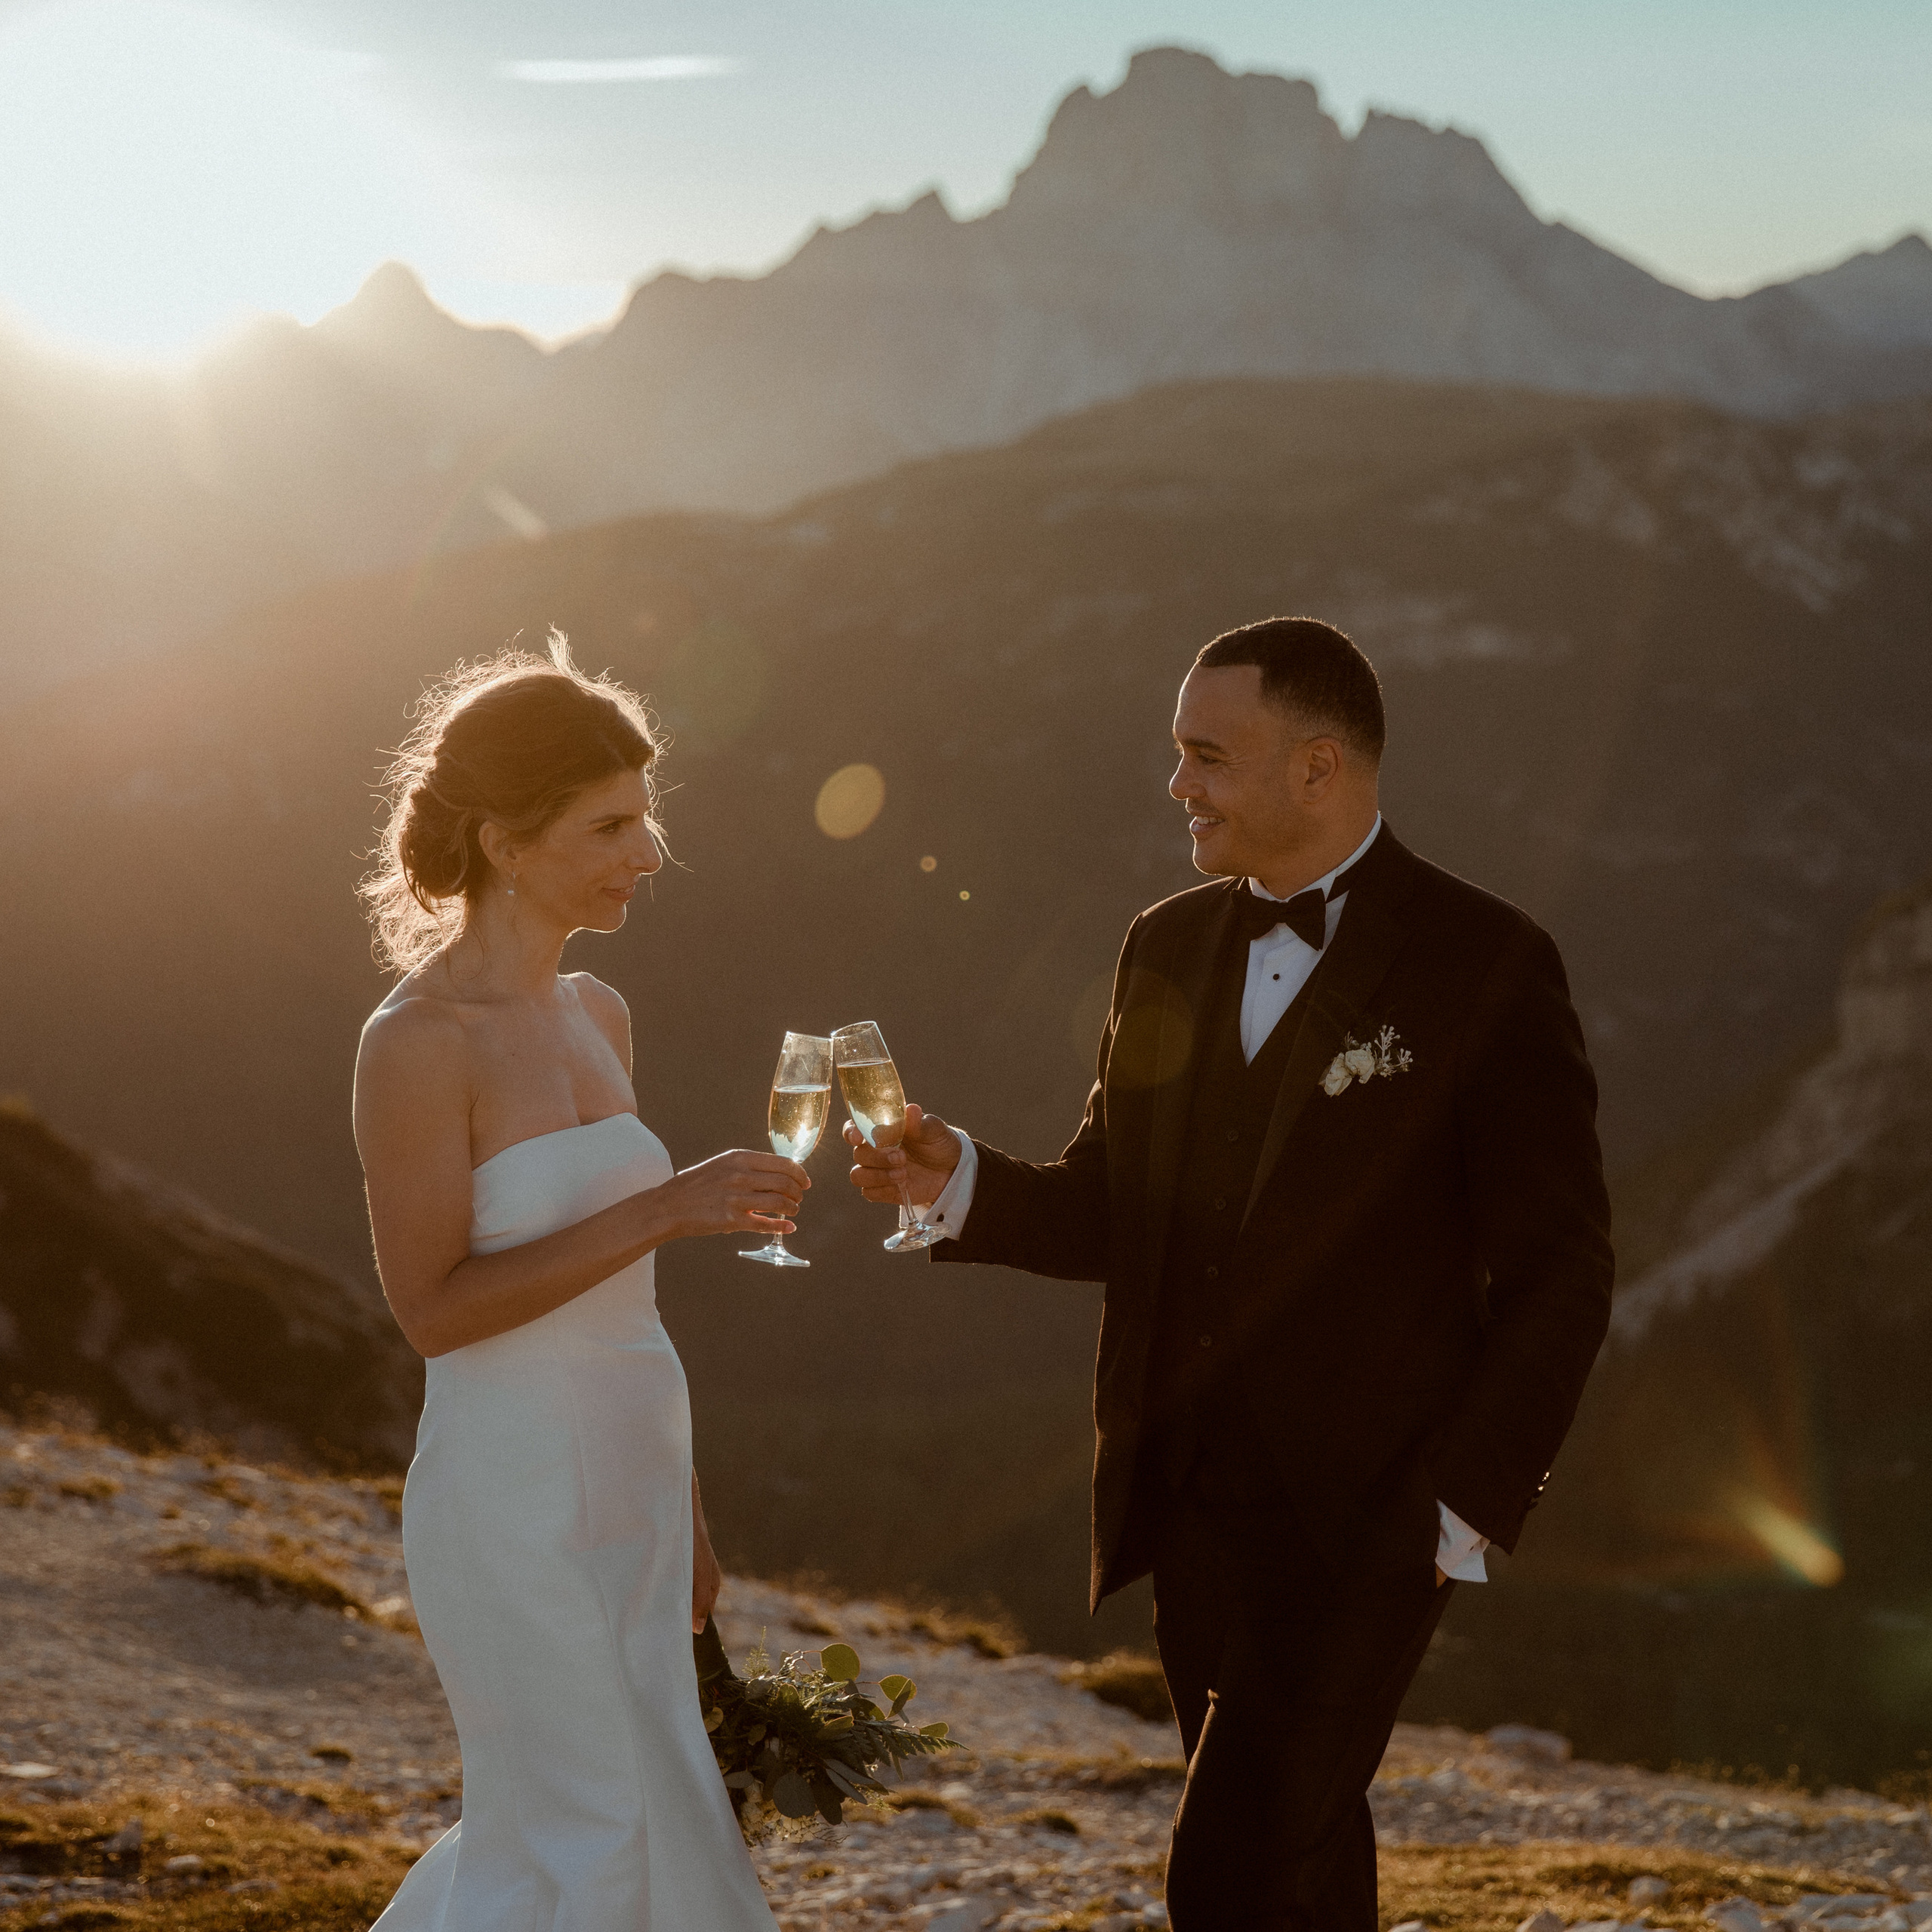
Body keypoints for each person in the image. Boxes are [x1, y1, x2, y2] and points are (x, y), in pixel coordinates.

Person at [848, 617, 1614, 1930]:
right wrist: (953, 1176)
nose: (1177, 785)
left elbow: (1564, 1268)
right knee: (1300, 1854)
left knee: (1231, 1866)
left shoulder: (1486, 962)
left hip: (1377, 1512)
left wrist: (1461, 1506)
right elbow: (1115, 1208)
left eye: (1208, 755)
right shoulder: (1164, 944)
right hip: (1192, 1497)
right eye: (1177, 753)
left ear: (1319, 769)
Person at [352, 633, 801, 1930]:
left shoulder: (598, 1011)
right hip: (511, 1493)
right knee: (585, 1824)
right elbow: (432, 1309)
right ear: (503, 840)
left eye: (644, 821)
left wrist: (692, 1508)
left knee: (656, 1810)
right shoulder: (417, 1044)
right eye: (609, 827)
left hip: (639, 1474)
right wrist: (671, 1206)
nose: (648, 856)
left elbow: (619, 1306)